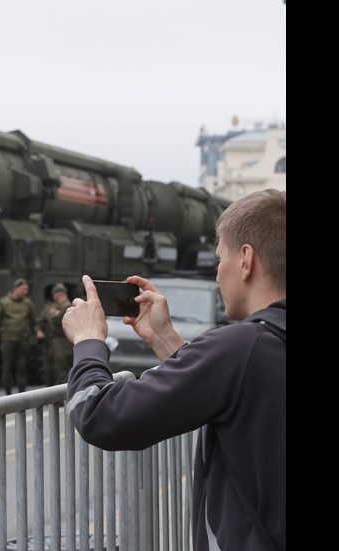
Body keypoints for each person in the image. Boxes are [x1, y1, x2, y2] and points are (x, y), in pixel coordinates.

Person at [61, 189, 285, 551]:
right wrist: (164, 338)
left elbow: (101, 417)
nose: (217, 273)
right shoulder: (258, 349)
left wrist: (88, 342)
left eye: (220, 258)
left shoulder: (241, 347)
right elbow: (235, 390)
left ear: (246, 260)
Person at [0, 277, 41, 394]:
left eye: (27, 289)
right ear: (16, 288)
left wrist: (34, 331)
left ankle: (21, 391)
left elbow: (32, 320)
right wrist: (4, 330)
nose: (26, 292)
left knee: (22, 366)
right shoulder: (4, 302)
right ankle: (8, 392)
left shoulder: (28, 303)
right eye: (23, 289)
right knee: (7, 366)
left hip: (23, 339)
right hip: (8, 339)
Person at [39, 283, 72, 386]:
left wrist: (50, 312)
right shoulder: (56, 307)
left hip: (63, 344)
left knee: (61, 370)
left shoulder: (66, 306)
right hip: (55, 343)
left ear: (56, 295)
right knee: (52, 369)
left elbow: (54, 318)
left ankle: (61, 400)